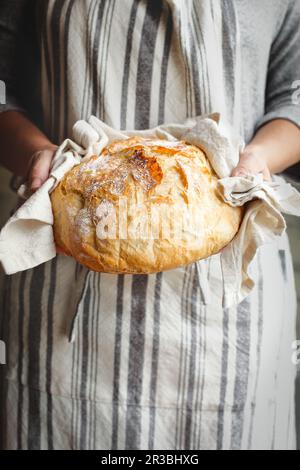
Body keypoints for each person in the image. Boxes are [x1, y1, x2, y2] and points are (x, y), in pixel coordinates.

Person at [0, 0, 300, 450]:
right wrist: (38, 156)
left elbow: (293, 97)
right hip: (65, 300)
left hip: (228, 311)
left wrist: (256, 160)